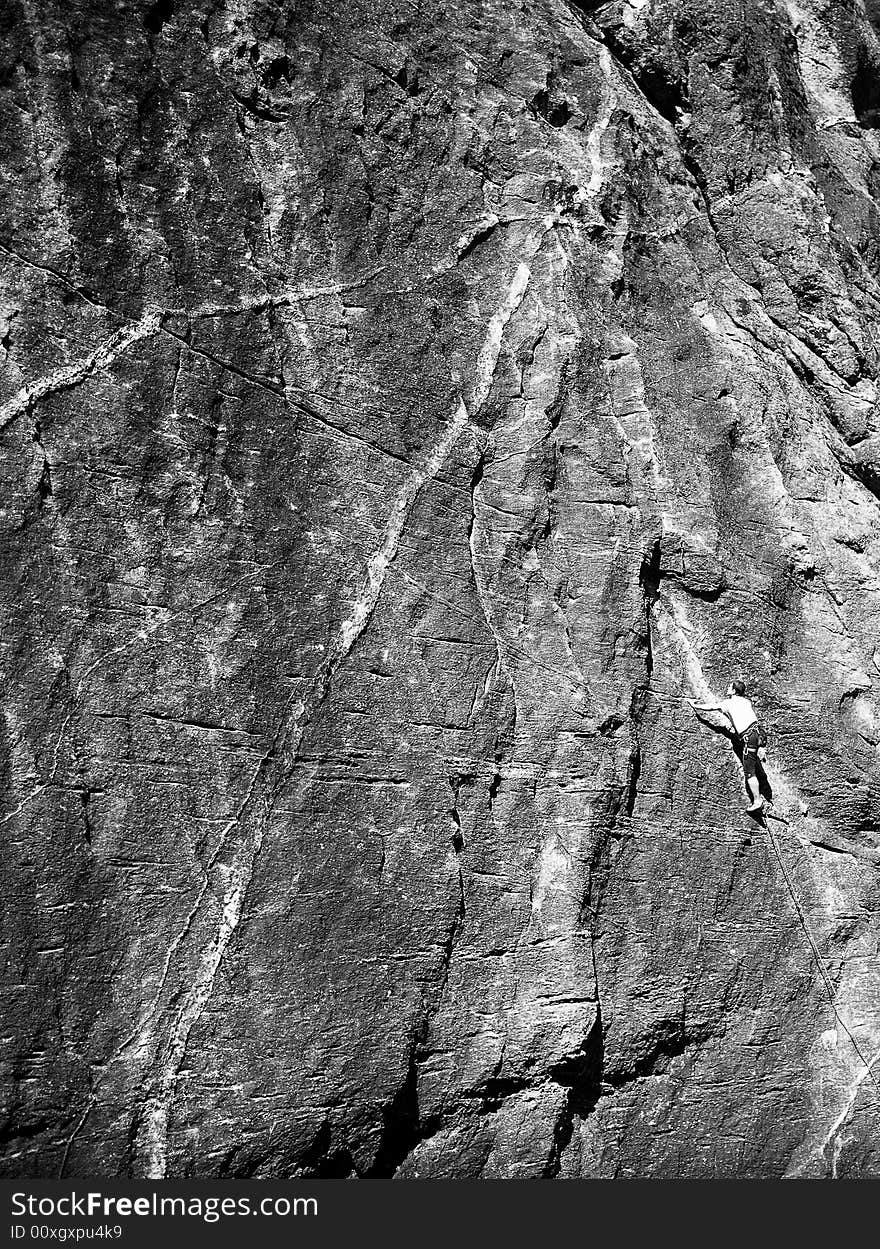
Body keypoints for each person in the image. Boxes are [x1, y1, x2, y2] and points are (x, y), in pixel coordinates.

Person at [688, 680, 768, 813]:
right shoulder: (746, 701)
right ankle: (761, 774)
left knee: (749, 772)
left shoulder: (728, 703)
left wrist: (695, 706)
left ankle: (757, 801)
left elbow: (712, 707)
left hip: (749, 736)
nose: (727, 688)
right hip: (758, 733)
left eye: (730, 686)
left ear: (734, 690)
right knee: (752, 758)